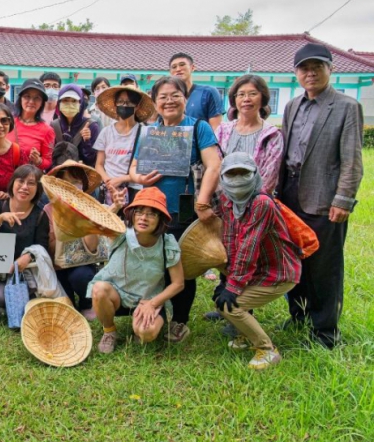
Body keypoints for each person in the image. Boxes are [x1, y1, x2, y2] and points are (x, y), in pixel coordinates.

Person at [278, 43, 364, 349]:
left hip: (324, 197)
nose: (310, 73)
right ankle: (298, 315)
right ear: (296, 73)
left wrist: (343, 200)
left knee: (324, 266)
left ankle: (325, 331)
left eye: (317, 67)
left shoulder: (345, 106)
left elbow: (352, 160)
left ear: (330, 69)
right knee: (294, 260)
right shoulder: (292, 106)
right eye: (304, 68)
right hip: (290, 193)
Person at [129, 76, 222, 343]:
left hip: (183, 208)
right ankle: (151, 312)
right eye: (163, 97)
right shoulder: (148, 131)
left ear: (185, 98)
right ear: (155, 102)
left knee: (182, 265)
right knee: (151, 263)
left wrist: (202, 201)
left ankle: (179, 321)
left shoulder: (198, 128)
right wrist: (138, 178)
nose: (169, 101)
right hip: (150, 207)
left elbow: (213, 165)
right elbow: (134, 168)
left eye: (175, 95)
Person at [204, 75, 285, 327]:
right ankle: (225, 304)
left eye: (252, 93)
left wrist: (249, 203)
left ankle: (241, 311)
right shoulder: (224, 130)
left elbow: (269, 174)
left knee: (248, 251)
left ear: (262, 97)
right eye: (240, 94)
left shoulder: (271, 134)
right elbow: (215, 164)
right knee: (226, 252)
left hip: (254, 205)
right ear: (234, 99)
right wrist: (220, 201)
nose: (246, 99)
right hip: (223, 204)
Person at [212, 153, 302, 369]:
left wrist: (233, 286)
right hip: (257, 271)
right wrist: (227, 280)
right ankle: (247, 336)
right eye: (231, 174)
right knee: (222, 299)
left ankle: (267, 349)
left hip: (278, 274)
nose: (237, 179)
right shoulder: (227, 200)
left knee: (231, 307)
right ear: (223, 178)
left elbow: (248, 247)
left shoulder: (261, 203)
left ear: (255, 175)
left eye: (244, 173)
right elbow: (231, 241)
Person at [89, 188, 184, 353]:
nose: (144, 218)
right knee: (99, 289)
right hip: (118, 295)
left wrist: (152, 304)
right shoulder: (121, 234)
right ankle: (109, 331)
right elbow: (98, 227)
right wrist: (116, 206)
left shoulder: (167, 243)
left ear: (160, 219)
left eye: (152, 214)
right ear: (132, 214)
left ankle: (139, 327)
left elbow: (178, 283)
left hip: (149, 299)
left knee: (146, 334)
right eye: (139, 212)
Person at [44, 158, 122, 320]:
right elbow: (49, 247)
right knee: (66, 309)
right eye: (67, 183)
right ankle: (71, 299)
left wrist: (92, 223)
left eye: (76, 182)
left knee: (81, 276)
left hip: (82, 264)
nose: (72, 187)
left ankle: (87, 303)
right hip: (56, 267)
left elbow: (91, 248)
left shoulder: (90, 208)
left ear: (83, 185)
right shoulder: (49, 209)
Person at [0, 165, 50, 314]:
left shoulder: (40, 214)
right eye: (20, 181)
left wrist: (27, 257)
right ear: (13, 183)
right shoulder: (0, 204)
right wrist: (1, 218)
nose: (24, 187)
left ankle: (23, 299)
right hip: (0, 271)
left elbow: (43, 245)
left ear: (38, 188)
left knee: (30, 296)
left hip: (27, 271)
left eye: (31, 183)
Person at [93, 85, 154, 204]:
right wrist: (109, 182)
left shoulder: (144, 132)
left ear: (137, 106)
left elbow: (145, 168)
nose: (124, 105)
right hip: (108, 190)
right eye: (120, 102)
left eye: (129, 102)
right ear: (115, 105)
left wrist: (122, 179)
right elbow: (99, 164)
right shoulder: (106, 132)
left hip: (134, 190)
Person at [8, 79, 55, 171]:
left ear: (42, 103)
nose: (31, 101)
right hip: (4, 178)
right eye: (27, 96)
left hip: (27, 181)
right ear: (20, 98)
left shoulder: (47, 130)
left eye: (37, 98)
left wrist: (38, 161)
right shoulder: (8, 122)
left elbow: (48, 162)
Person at [169, 53, 224, 130]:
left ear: (192, 67)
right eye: (174, 67)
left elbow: (216, 130)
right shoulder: (166, 99)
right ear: (170, 72)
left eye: (182, 65)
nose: (178, 69)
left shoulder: (208, 92)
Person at [51, 84, 99, 167]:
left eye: (74, 101)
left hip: (81, 176)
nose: (70, 104)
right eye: (65, 100)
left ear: (81, 103)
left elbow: (92, 161)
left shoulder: (92, 126)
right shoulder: (53, 126)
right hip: (57, 176)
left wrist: (86, 141)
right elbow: (49, 158)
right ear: (59, 103)